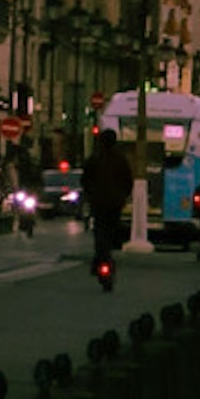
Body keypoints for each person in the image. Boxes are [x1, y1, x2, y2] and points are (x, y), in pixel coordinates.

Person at [81, 118, 134, 289]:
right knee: (110, 233)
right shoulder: (120, 160)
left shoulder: (94, 160)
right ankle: (104, 260)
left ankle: (100, 261)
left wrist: (90, 196)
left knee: (100, 234)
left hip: (98, 203)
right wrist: (123, 197)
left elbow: (85, 180)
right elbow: (128, 182)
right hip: (115, 204)